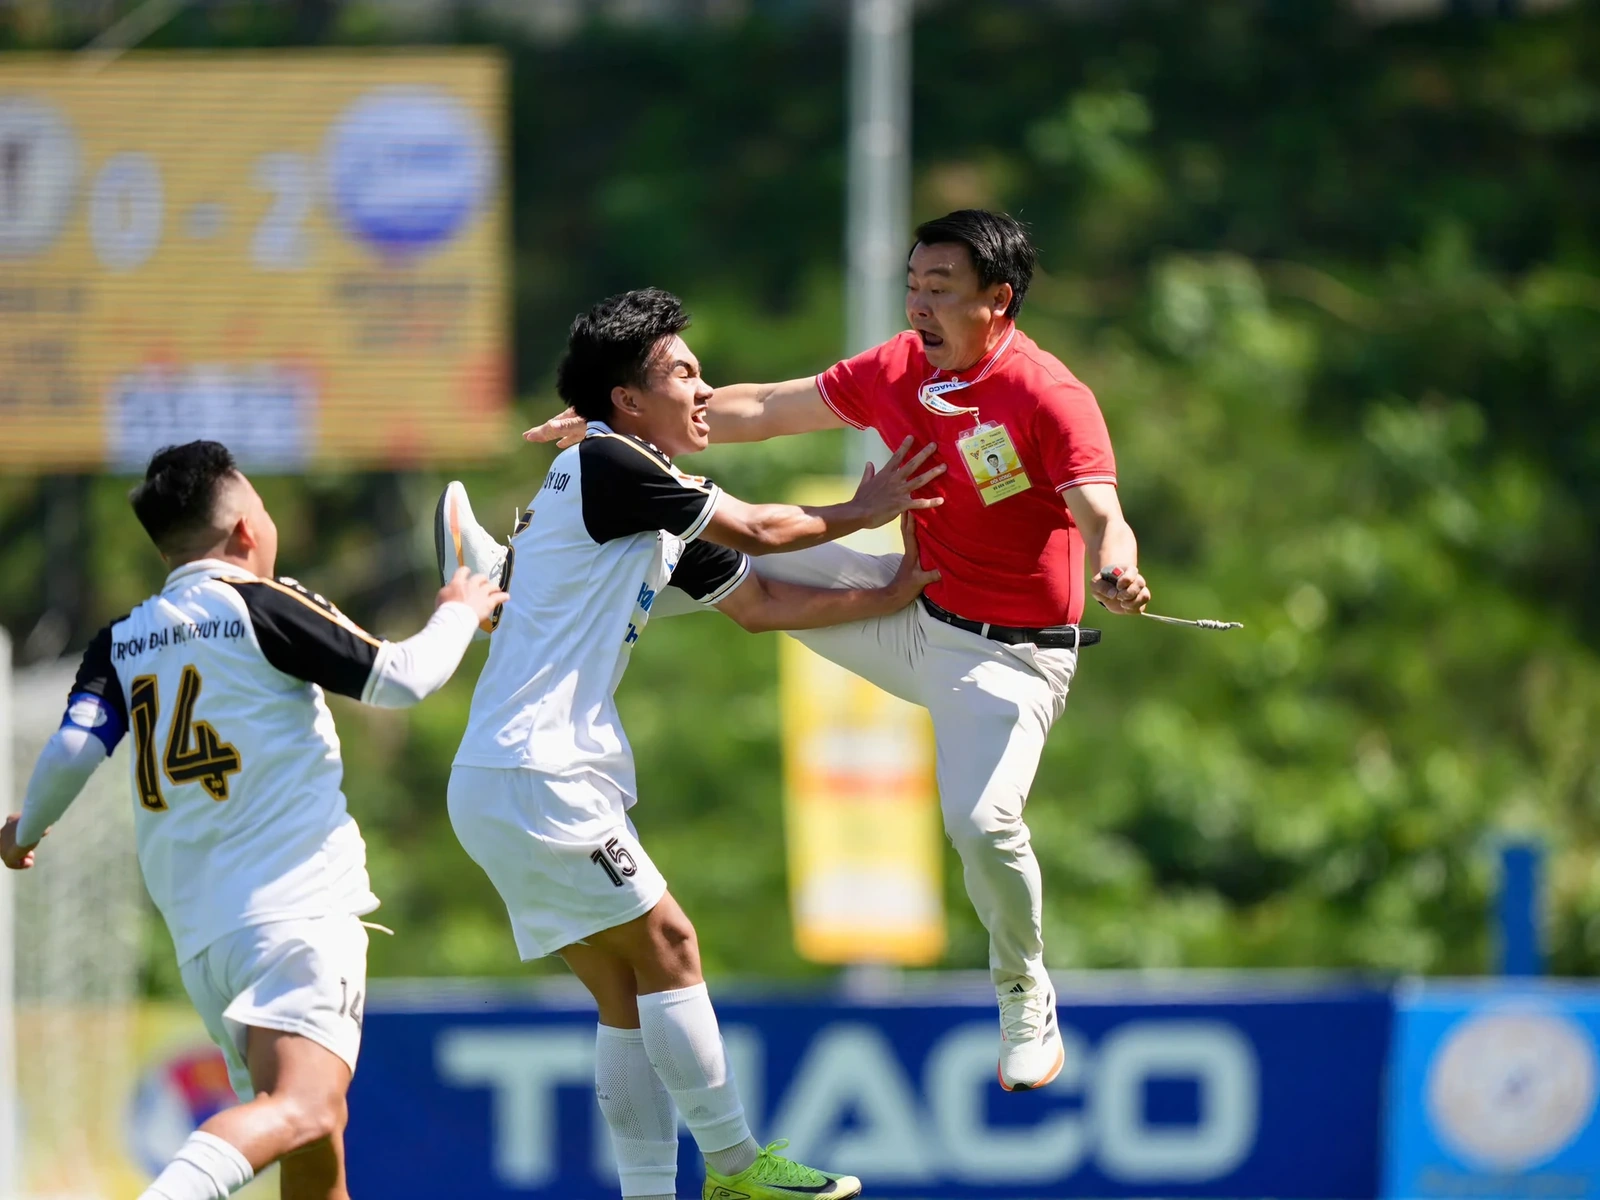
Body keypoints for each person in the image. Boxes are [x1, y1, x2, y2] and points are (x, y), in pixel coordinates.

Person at [519, 210, 1154, 1093]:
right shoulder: (898, 366)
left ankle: (1022, 989)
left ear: (999, 300)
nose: (919, 305)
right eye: (913, 285)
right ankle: (512, 587)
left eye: (941, 290)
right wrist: (612, 418)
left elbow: (1101, 513)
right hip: (910, 601)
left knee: (981, 825)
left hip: (1007, 662)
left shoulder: (1049, 395)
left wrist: (1118, 567)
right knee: (681, 526)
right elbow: (764, 408)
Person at [438, 288, 941, 1200]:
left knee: (628, 996)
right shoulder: (608, 461)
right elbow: (761, 530)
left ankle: (650, 1193)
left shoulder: (649, 503)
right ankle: (738, 1168)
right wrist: (866, 508)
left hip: (508, 776)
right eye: (684, 373)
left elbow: (762, 604)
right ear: (627, 400)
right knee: (670, 940)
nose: (705, 390)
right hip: (537, 771)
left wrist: (891, 593)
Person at [1, 441, 506, 1200]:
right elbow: (402, 679)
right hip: (296, 913)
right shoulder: (258, 603)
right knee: (306, 1108)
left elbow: (74, 747)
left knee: (315, 1143)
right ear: (245, 530)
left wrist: (24, 830)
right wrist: (460, 610)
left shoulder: (123, 639)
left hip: (207, 942)